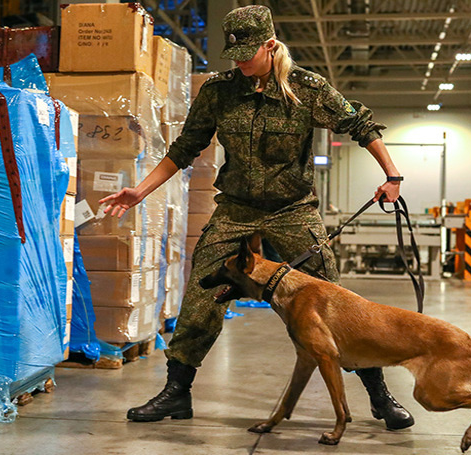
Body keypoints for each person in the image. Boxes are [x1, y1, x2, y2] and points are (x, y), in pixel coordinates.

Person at [99, 5, 414, 430]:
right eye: (236, 55)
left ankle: (379, 394)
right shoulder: (219, 90)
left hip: (293, 210)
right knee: (202, 293)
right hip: (236, 209)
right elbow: (185, 148)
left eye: (249, 53)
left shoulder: (307, 88)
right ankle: (177, 393)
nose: (242, 63)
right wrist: (140, 190)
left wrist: (391, 175)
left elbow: (361, 125)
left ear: (270, 45)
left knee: (334, 302)